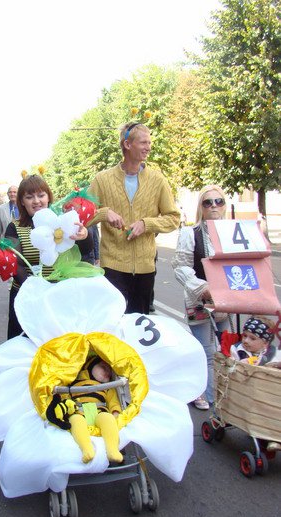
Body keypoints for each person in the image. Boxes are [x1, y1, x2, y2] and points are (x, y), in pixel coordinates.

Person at [87, 122, 180, 314]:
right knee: (113, 321)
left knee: (139, 324)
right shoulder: (102, 179)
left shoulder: (158, 180)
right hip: (112, 266)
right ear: (127, 144)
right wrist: (104, 213)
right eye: (143, 142)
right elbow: (84, 216)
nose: (149, 147)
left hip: (145, 269)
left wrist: (147, 224)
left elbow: (173, 218)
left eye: (149, 142)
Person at [4, 175, 89, 339]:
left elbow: (85, 251)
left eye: (41, 195)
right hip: (26, 296)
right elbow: (16, 264)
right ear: (22, 202)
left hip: (58, 296)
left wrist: (84, 235)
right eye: (29, 197)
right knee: (25, 345)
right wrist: (36, 290)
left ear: (48, 197)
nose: (36, 201)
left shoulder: (62, 222)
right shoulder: (14, 227)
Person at [172, 184, 232, 410]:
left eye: (219, 201)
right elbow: (181, 266)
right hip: (199, 300)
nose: (214, 206)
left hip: (227, 301)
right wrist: (202, 288)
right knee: (204, 351)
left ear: (224, 205)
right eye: (208, 202)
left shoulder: (233, 233)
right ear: (201, 207)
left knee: (227, 350)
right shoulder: (191, 234)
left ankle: (224, 394)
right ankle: (204, 395)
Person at [47, 355, 123, 464]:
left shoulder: (108, 387)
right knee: (75, 420)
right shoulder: (73, 383)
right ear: (90, 366)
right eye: (103, 367)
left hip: (99, 410)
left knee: (108, 418)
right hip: (79, 410)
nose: (107, 372)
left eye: (110, 372)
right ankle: (86, 449)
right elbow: (64, 397)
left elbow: (113, 401)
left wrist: (115, 412)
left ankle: (113, 450)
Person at [230, 315, 281, 451]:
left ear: (265, 343)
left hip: (268, 390)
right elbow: (230, 367)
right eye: (245, 336)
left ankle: (275, 438)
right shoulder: (238, 350)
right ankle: (272, 437)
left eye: (252, 338)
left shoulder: (271, 354)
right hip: (245, 391)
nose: (246, 341)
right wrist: (239, 363)